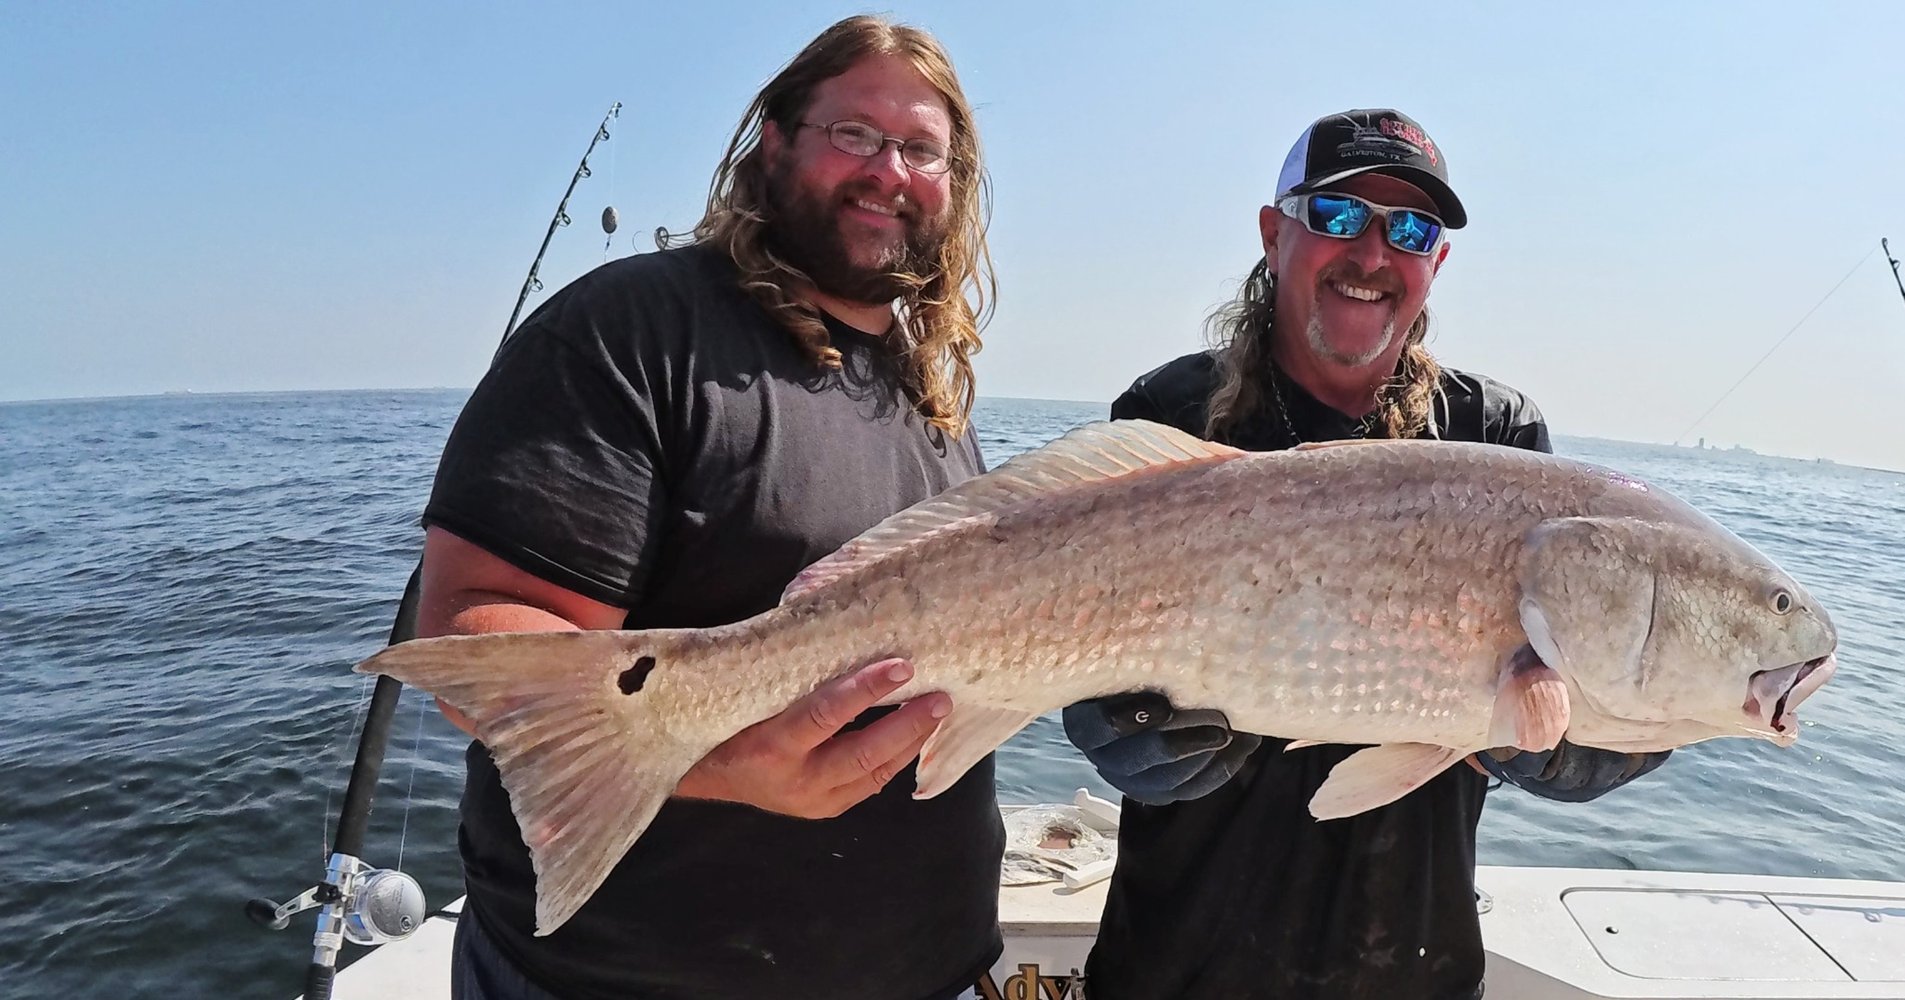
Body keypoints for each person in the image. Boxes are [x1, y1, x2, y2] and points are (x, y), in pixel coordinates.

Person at [414, 16, 1004, 1000]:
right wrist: (725, 761)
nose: (887, 170)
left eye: (920, 150)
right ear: (772, 141)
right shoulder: (632, 328)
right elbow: (476, 629)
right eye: (854, 134)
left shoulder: (931, 402)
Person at [1062, 108, 1672, 1000]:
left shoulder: (1493, 436)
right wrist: (1103, 722)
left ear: (1436, 264)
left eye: (1411, 230)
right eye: (1339, 216)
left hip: (1409, 965)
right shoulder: (1168, 415)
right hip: (1176, 965)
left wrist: (1575, 750)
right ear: (1275, 234)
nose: (1373, 254)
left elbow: (1588, 673)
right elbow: (1062, 630)